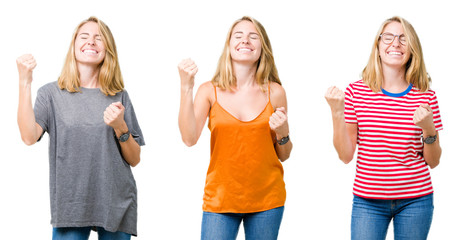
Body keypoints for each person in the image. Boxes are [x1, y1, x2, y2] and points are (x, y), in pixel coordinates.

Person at [17, 16, 144, 240]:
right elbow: (29, 136)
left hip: (116, 203)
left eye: (99, 38)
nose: (91, 42)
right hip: (71, 206)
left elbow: (134, 159)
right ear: (74, 46)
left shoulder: (119, 95)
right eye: (84, 37)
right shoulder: (51, 94)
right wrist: (25, 82)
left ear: (108, 49)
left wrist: (120, 126)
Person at [325, 16, 442, 240]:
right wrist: (337, 113)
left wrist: (428, 129)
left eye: (403, 39)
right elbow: (345, 156)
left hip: (416, 200)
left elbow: (433, 161)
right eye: (388, 37)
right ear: (377, 46)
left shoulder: (426, 96)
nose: (395, 43)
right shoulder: (355, 92)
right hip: (368, 202)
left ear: (412, 49)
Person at [178, 16, 292, 240]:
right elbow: (189, 138)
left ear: (263, 48)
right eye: (238, 36)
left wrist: (283, 132)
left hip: (268, 200)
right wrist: (186, 87)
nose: (245, 41)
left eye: (253, 36)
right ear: (229, 46)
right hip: (220, 200)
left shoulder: (276, 92)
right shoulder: (208, 90)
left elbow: (284, 154)